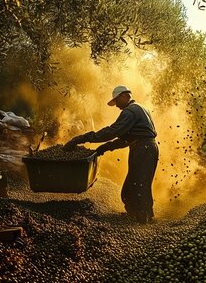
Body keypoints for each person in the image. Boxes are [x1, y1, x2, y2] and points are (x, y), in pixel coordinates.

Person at [63, 85, 158, 223]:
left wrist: (83, 138)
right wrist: (105, 147)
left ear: (124, 96)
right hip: (144, 147)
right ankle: (138, 215)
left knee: (139, 184)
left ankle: (143, 219)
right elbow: (126, 139)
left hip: (143, 149)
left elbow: (112, 132)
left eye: (117, 101)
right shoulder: (140, 108)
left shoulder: (130, 111)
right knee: (130, 189)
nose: (116, 106)